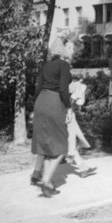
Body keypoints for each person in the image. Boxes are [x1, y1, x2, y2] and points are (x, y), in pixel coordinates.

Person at [30, 38, 74, 197]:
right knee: (62, 145)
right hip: (54, 102)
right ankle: (46, 179)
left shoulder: (46, 66)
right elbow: (63, 90)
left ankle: (45, 181)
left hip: (41, 101)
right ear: (63, 50)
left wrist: (34, 109)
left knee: (48, 145)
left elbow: (37, 88)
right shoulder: (64, 65)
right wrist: (69, 108)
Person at [67, 77, 97, 178]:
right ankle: (41, 174)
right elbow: (72, 100)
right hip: (67, 116)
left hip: (68, 115)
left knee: (70, 142)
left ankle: (82, 167)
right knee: (69, 142)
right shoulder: (72, 90)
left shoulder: (69, 87)